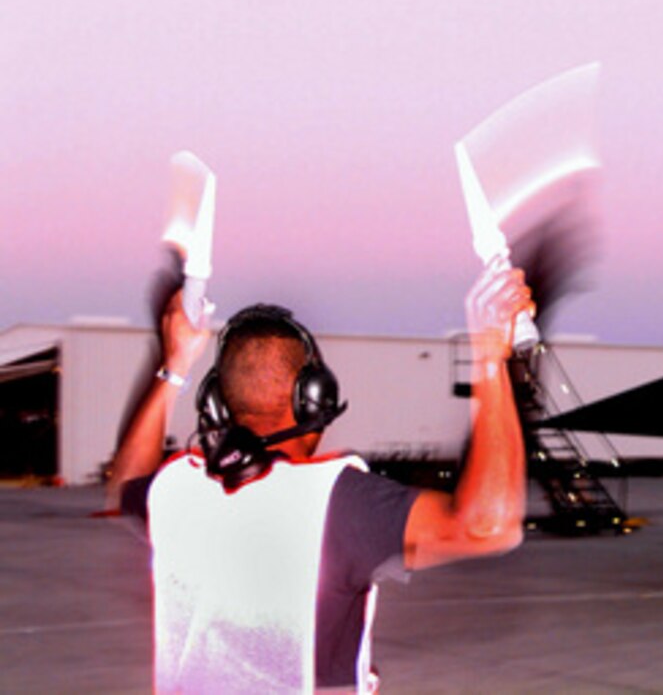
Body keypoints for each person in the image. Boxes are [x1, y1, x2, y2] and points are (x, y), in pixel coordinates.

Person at [104, 258, 533, 693]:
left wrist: (174, 366)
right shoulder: (335, 502)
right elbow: (489, 526)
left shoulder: (178, 488)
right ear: (313, 398)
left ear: (217, 401)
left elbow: (124, 485)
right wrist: (491, 358)